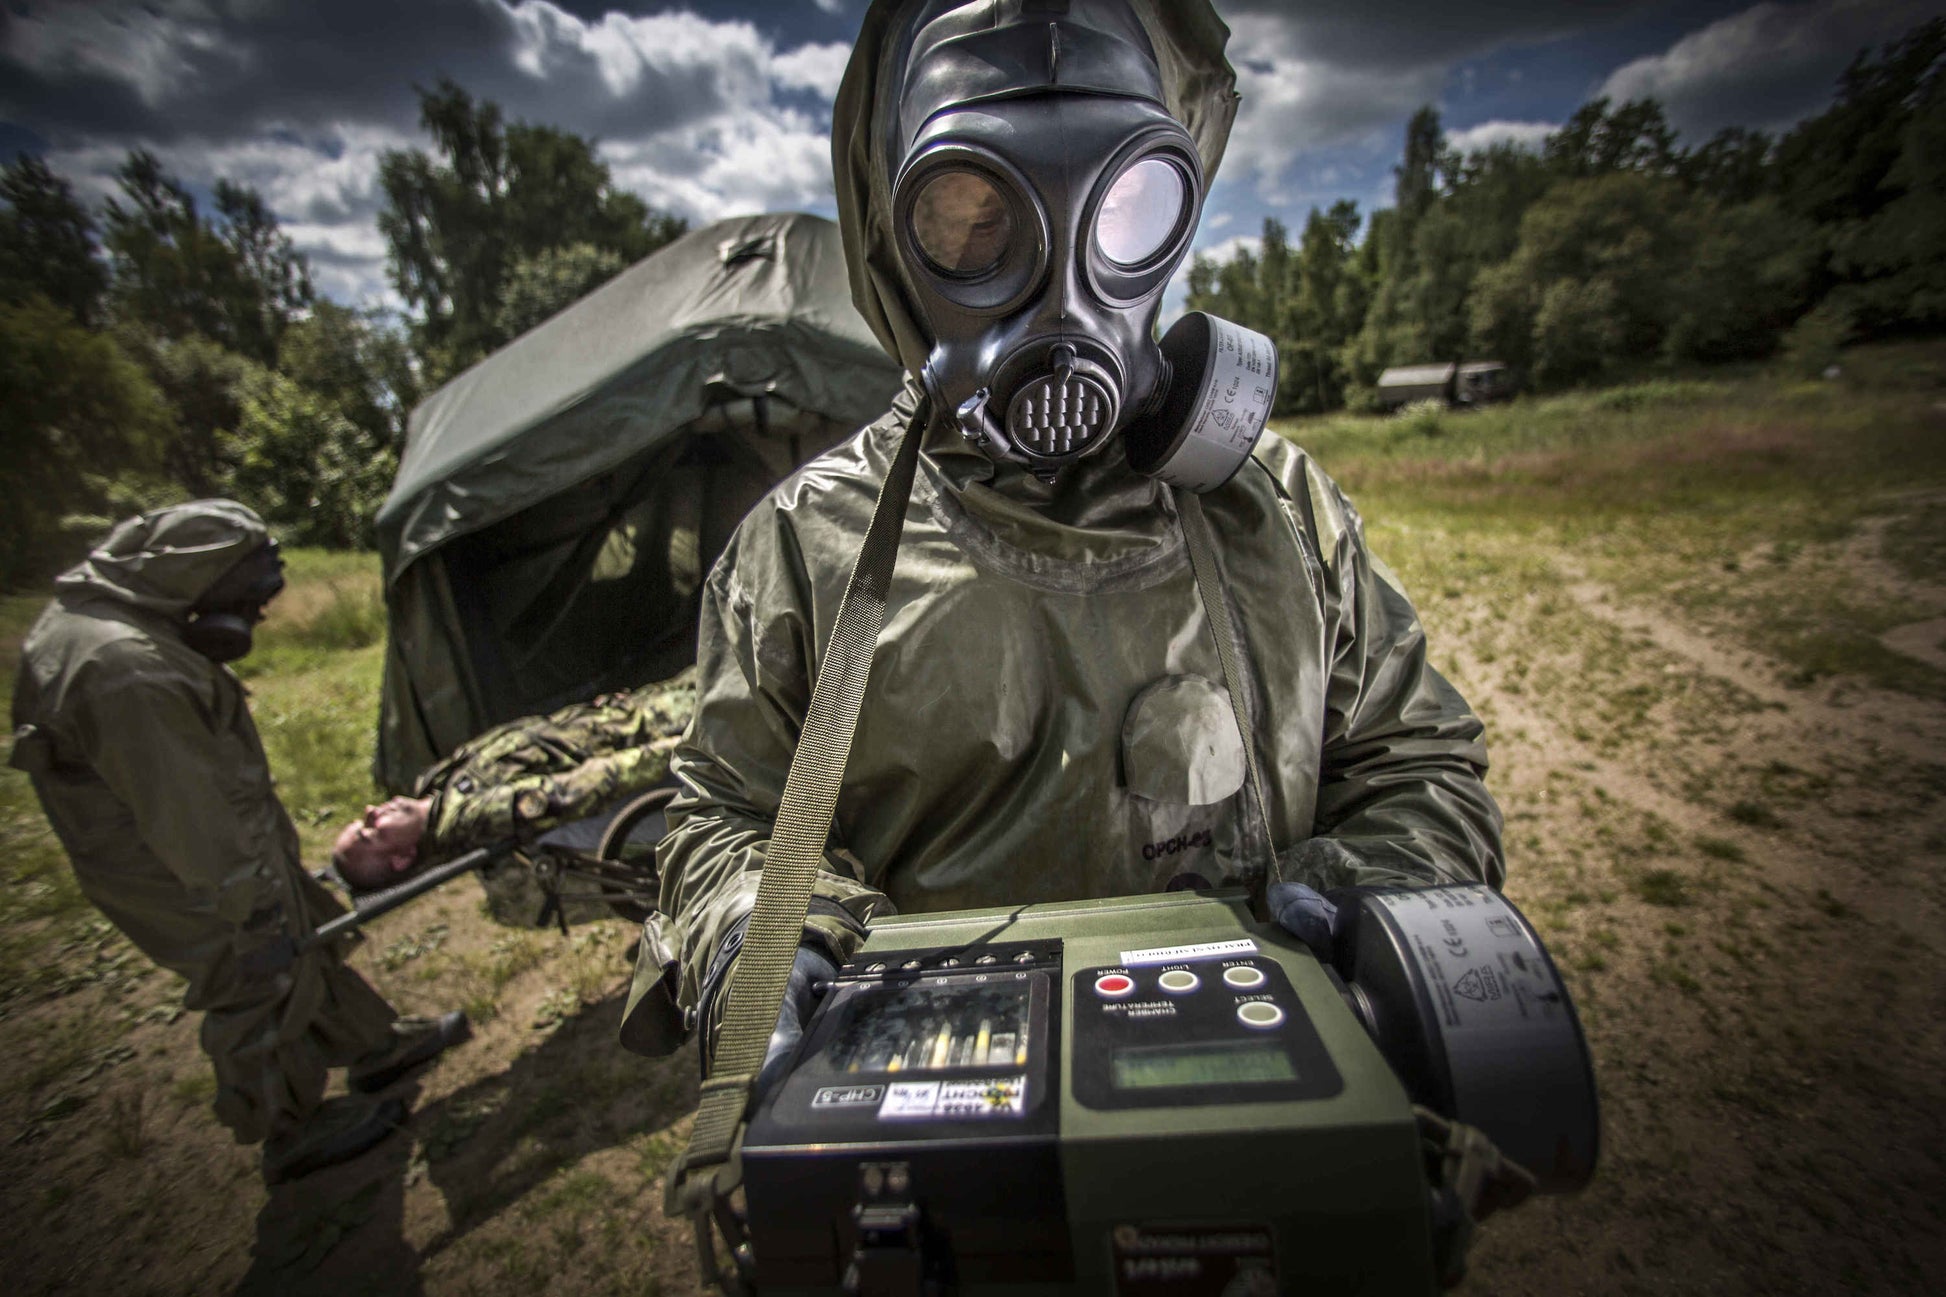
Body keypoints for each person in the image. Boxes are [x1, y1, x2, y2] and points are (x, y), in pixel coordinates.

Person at [658, 0, 1505, 1083]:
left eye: (1122, 206)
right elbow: (726, 810)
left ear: (1176, 202)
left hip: (1268, 1090)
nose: (1060, 286)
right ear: (890, 229)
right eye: (972, 217)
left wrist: (1372, 893)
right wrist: (759, 938)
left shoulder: (1279, 510)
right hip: (942, 1108)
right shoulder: (804, 548)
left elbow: (1413, 757)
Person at [8, 501, 469, 1185]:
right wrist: (248, 899)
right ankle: (290, 1127)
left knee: (303, 927)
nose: (258, 618)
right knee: (252, 963)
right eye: (249, 601)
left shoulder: (128, 626)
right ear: (195, 580)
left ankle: (371, 1044)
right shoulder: (125, 667)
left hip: (213, 836)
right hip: (185, 865)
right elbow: (190, 817)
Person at [330, 671, 694, 893]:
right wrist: (687, 741)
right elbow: (587, 786)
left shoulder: (436, 784)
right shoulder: (472, 818)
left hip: (635, 710)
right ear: (402, 857)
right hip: (663, 726)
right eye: (371, 832)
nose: (371, 811)